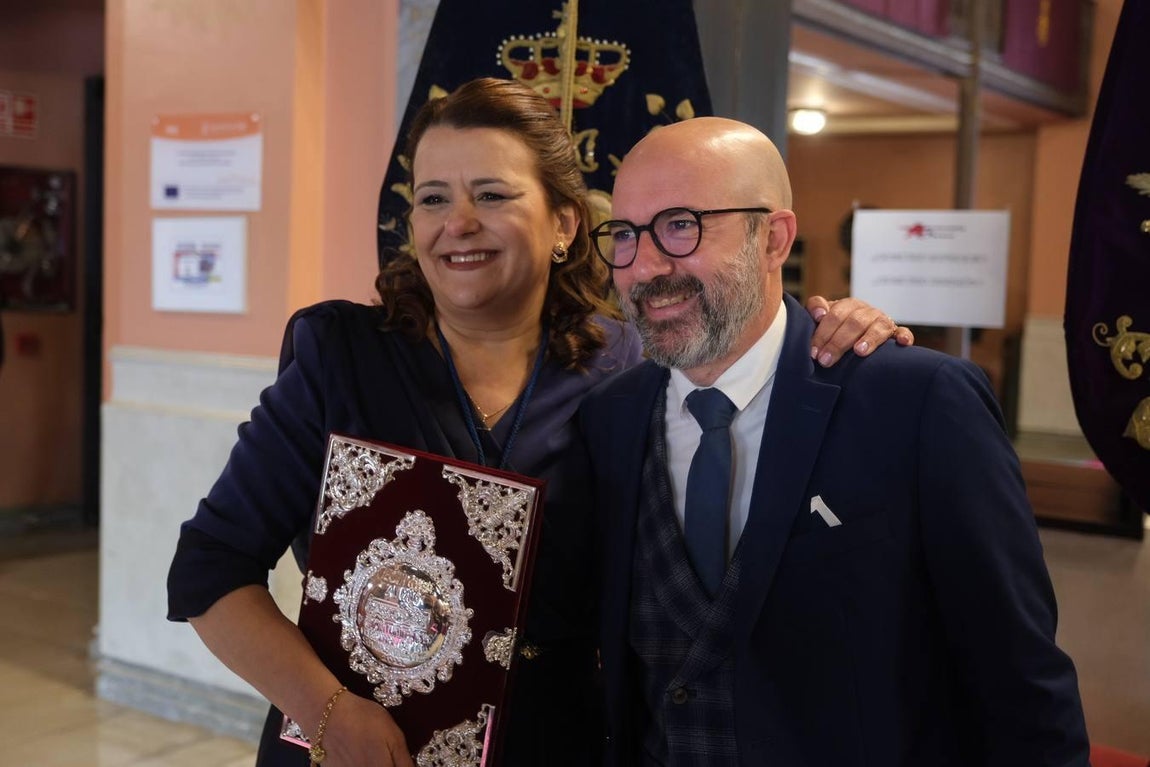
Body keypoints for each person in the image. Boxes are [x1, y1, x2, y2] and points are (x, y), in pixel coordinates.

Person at [166, 78, 909, 767]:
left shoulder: (634, 368)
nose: (456, 223)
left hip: (555, 745)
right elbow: (209, 569)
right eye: (431, 198)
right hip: (354, 744)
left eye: (490, 193)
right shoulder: (342, 355)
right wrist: (329, 712)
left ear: (562, 223)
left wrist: (835, 330)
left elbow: (748, 373)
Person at [579, 116, 1091, 766]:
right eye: (624, 234)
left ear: (774, 238)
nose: (644, 264)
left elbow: (1019, 676)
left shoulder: (916, 402)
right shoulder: (610, 419)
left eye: (681, 224)